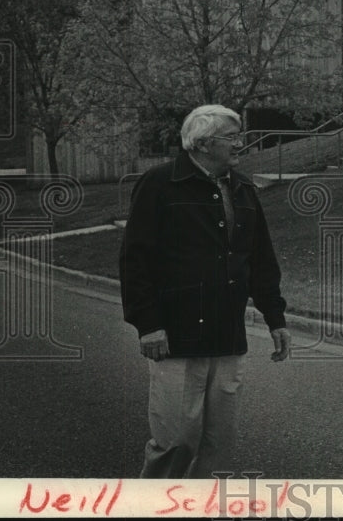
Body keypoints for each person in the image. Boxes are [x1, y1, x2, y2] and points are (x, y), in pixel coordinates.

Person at [119, 104, 291, 478]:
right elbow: (135, 259)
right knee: (177, 442)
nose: (241, 144)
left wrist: (275, 317)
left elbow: (260, 258)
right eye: (232, 137)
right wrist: (148, 324)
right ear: (202, 143)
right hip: (176, 336)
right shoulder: (160, 184)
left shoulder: (242, 187)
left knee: (218, 443)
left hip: (228, 336)